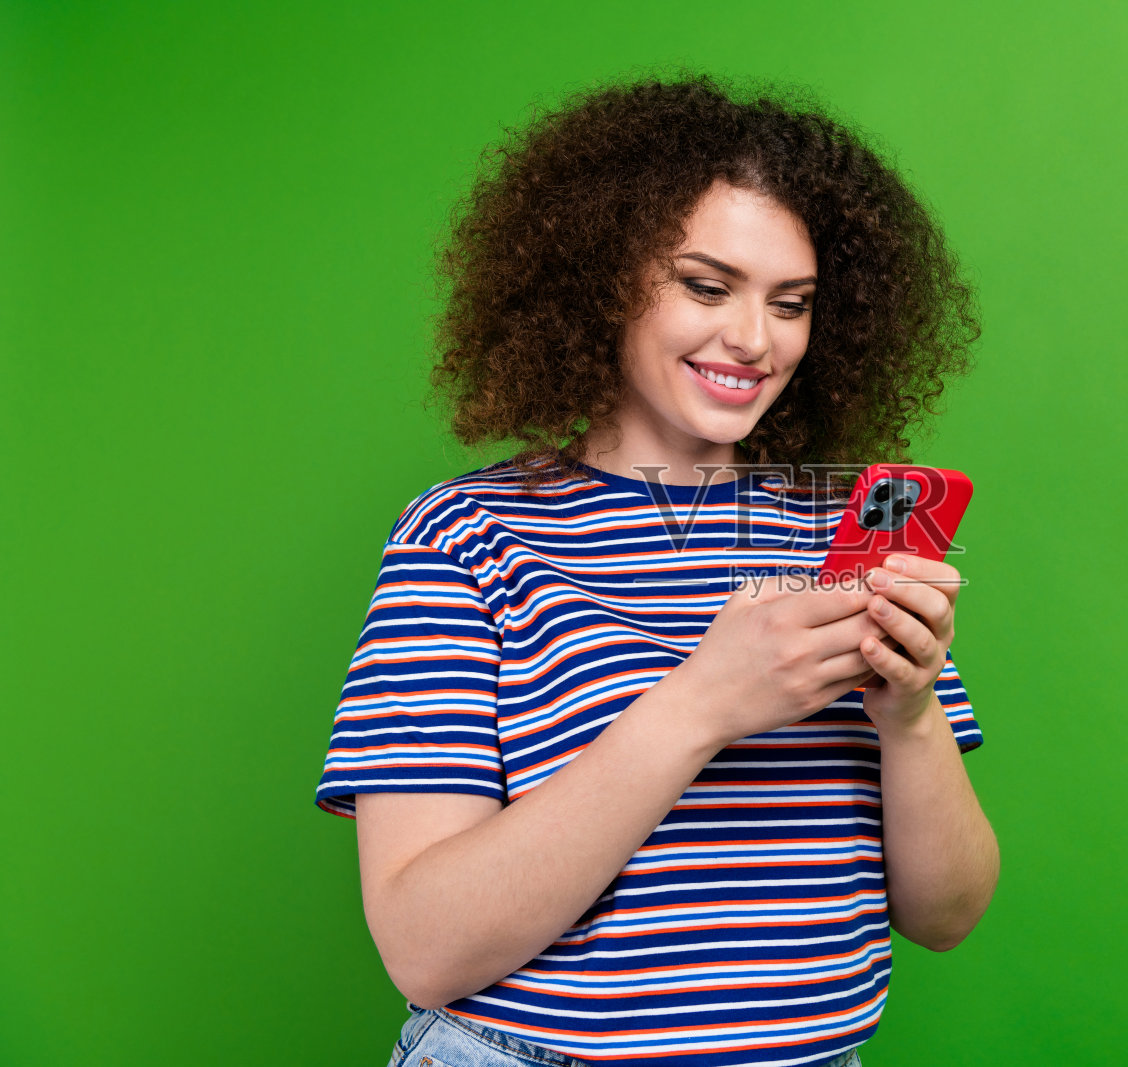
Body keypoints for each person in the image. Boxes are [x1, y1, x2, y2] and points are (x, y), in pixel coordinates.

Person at [314, 71, 998, 1067]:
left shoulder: (839, 538)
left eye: (792, 303)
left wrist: (909, 710)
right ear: (602, 281)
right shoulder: (467, 534)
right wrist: (702, 703)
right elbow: (425, 948)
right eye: (706, 286)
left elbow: (947, 915)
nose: (753, 340)